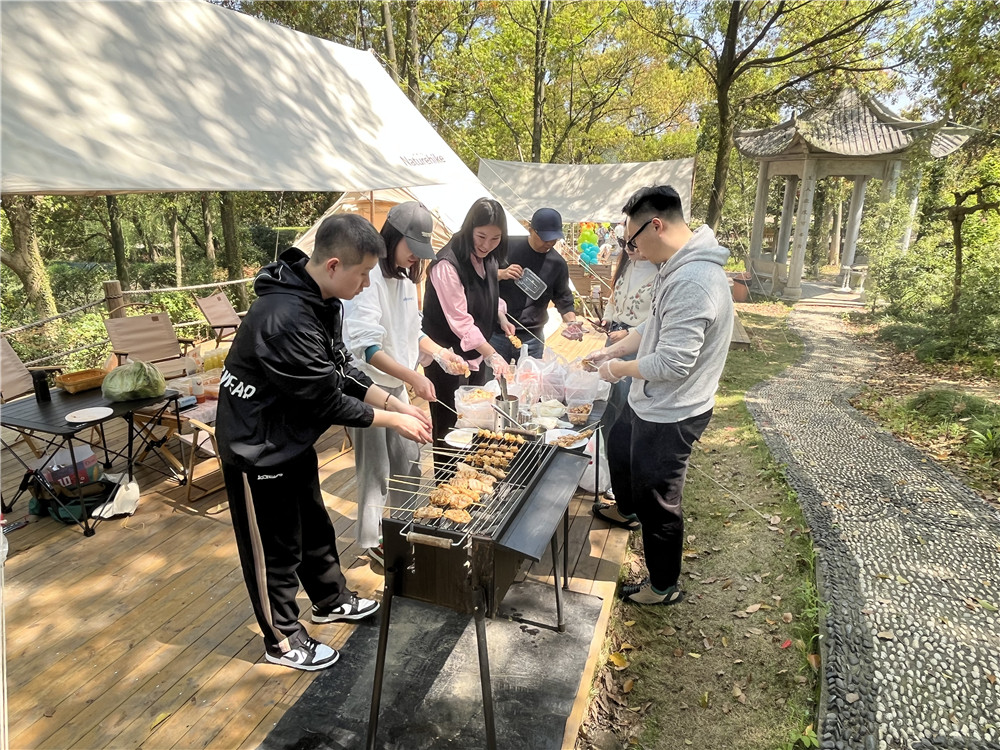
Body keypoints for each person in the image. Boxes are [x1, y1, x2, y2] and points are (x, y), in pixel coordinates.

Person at [216, 214, 433, 671]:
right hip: (257, 446)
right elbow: (325, 400)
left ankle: (330, 599)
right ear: (334, 265)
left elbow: (341, 368)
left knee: (314, 527)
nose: (367, 283)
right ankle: (282, 638)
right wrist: (393, 419)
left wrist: (394, 402)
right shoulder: (283, 319)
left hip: (291, 436)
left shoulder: (322, 300)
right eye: (363, 274)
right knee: (275, 549)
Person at [586, 185, 734, 606]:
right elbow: (652, 326)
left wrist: (617, 370)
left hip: (673, 411)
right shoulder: (676, 265)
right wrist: (613, 350)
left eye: (631, 241)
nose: (631, 251)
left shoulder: (694, 280)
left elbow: (672, 363)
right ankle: (626, 509)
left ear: (656, 226)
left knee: (659, 499)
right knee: (620, 447)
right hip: (650, 401)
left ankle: (663, 586)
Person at [342, 202, 468, 566]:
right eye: (411, 246)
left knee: (409, 461)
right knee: (375, 471)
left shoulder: (404, 277)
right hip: (367, 388)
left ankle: (403, 528)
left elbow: (412, 329)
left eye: (420, 249)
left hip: (396, 386)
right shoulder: (369, 279)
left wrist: (441, 354)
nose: (415, 256)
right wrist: (414, 376)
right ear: (392, 236)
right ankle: (373, 540)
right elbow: (367, 348)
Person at [421, 197, 514, 474]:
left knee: (475, 420)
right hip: (446, 357)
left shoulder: (489, 258)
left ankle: (472, 477)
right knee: (448, 426)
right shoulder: (446, 265)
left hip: (475, 354)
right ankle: (446, 485)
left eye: (495, 239)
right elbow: (460, 321)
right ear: (469, 228)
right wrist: (493, 354)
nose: (487, 245)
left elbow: (488, 293)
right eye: (481, 236)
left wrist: (501, 316)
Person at [590, 223, 659, 506]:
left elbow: (656, 318)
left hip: (637, 347)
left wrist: (629, 332)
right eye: (624, 243)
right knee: (608, 409)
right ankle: (610, 473)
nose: (629, 250)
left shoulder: (662, 271)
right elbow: (613, 299)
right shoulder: (626, 265)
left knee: (625, 413)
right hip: (615, 340)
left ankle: (625, 484)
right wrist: (608, 320)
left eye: (633, 243)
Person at [490, 207, 582, 362]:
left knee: (530, 377)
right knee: (492, 376)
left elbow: (564, 299)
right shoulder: (504, 247)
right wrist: (500, 273)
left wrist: (572, 323)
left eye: (554, 239)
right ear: (530, 230)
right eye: (545, 238)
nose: (549, 243)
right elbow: (479, 275)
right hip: (496, 331)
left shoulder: (557, 264)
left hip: (532, 336)